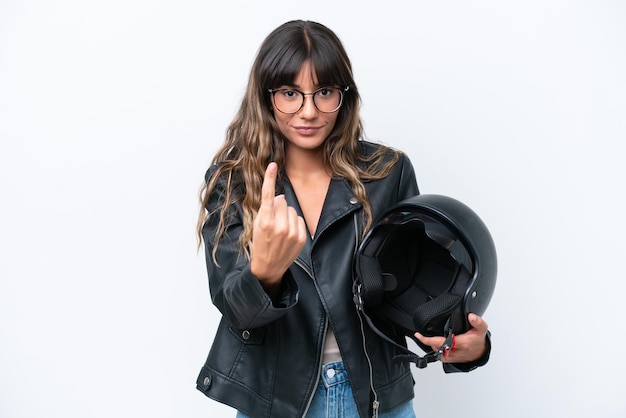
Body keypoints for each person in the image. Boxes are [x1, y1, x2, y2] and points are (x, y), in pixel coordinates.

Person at [195, 20, 491, 418]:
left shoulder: (388, 172)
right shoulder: (231, 182)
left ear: (344, 95)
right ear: (266, 97)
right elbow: (237, 310)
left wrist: (466, 348)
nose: (309, 111)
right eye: (290, 94)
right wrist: (264, 271)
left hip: (374, 399)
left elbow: (418, 289)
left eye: (324, 93)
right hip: (275, 403)